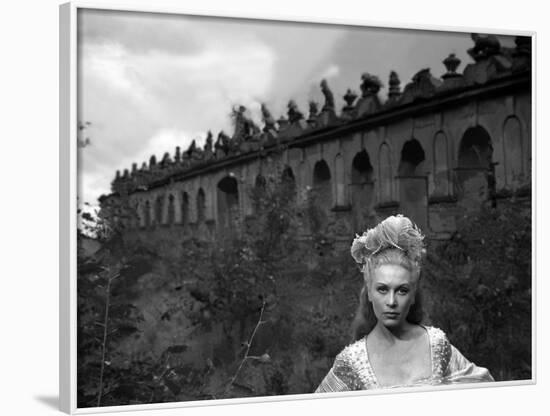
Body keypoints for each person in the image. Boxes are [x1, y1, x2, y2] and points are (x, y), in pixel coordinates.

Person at [315, 215, 494, 392]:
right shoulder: (351, 362)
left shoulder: (436, 344)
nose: (392, 302)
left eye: (402, 290)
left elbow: (487, 392)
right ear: (369, 292)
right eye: (382, 290)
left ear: (413, 295)